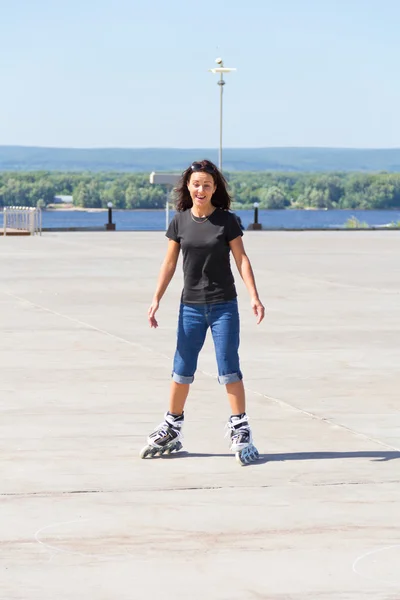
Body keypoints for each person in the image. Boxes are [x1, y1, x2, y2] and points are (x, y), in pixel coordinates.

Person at [141, 159, 265, 464]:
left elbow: (242, 259)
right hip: (191, 307)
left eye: (207, 185)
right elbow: (169, 264)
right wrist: (156, 298)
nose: (201, 189)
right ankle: (172, 425)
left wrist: (254, 296)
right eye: (196, 184)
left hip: (223, 305)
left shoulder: (227, 221)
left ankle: (240, 426)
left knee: (228, 368)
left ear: (214, 188)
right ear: (188, 186)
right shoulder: (179, 222)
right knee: (181, 369)